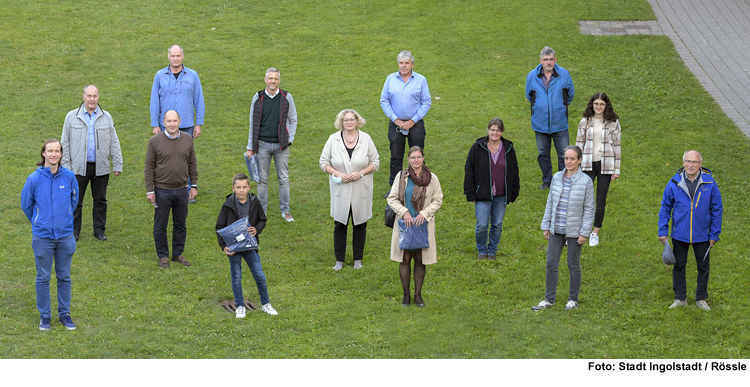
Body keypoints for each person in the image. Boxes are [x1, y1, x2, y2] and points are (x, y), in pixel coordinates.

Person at [21, 139, 79, 331]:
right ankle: (45, 316)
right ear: (43, 154)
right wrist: (40, 222)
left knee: (64, 276)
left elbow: (74, 201)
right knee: (43, 277)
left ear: (61, 154)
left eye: (57, 151)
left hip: (65, 237)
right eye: (50, 151)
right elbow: (26, 205)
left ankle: (65, 314)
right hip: (43, 238)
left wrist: (65, 220)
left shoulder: (69, 177)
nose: (54, 154)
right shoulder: (34, 179)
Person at [658, 150, 722, 311]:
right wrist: (663, 230)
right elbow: (665, 208)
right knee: (679, 266)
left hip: (703, 235)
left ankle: (701, 298)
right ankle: (680, 298)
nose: (691, 165)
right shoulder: (674, 182)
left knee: (703, 267)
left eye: (694, 162)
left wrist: (714, 233)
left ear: (701, 164)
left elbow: (717, 209)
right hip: (680, 233)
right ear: (683, 162)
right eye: (688, 161)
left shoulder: (710, 183)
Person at [533, 145, 594, 312]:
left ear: (579, 160)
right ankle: (549, 299)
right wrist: (546, 226)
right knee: (551, 263)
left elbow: (589, 209)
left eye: (572, 158)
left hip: (575, 231)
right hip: (556, 229)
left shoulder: (586, 181)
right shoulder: (557, 177)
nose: (568, 161)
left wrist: (584, 233)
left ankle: (573, 299)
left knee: (573, 264)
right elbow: (550, 203)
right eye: (566, 158)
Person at [61, 84, 123, 242]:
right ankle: (74, 231)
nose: (92, 99)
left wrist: (117, 164)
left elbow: (114, 142)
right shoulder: (71, 117)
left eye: (95, 96)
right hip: (77, 168)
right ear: (83, 97)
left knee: (100, 200)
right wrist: (67, 167)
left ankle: (99, 231)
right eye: (89, 96)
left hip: (100, 166)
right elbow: (65, 143)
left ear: (98, 97)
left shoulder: (106, 117)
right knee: (76, 201)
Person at [319, 109, 380, 271]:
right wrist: (338, 173)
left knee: (360, 223)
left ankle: (357, 259)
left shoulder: (366, 139)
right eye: (345, 120)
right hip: (341, 188)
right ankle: (339, 260)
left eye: (352, 119)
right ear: (341, 122)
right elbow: (323, 162)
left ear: (357, 121)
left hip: (361, 189)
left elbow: (375, 162)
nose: (349, 122)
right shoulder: (333, 139)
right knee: (340, 224)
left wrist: (360, 173)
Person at [215, 173, 278, 317]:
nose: (241, 190)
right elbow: (219, 227)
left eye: (244, 187)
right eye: (238, 187)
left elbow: (262, 220)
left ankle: (266, 304)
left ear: (249, 187)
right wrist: (223, 246)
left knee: (259, 275)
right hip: (234, 248)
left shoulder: (254, 202)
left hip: (250, 247)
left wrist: (257, 229)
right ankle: (240, 306)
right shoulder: (228, 204)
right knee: (236, 276)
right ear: (233, 188)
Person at [387, 146, 443, 307]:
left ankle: (418, 296)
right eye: (413, 157)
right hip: (405, 224)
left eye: (419, 157)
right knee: (405, 258)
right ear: (408, 159)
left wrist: (424, 214)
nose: (416, 160)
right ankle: (406, 296)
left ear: (423, 158)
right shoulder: (401, 176)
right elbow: (392, 198)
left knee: (420, 259)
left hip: (422, 224)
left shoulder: (432, 178)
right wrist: (404, 211)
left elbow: (438, 199)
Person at [150, 45, 204, 203]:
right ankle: (161, 189)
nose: (175, 58)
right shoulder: (159, 76)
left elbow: (199, 100)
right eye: (173, 55)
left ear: (183, 56)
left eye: (178, 55)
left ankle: (188, 189)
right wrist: (155, 124)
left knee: (186, 158)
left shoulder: (193, 75)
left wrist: (198, 123)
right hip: (164, 126)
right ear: (168, 57)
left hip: (186, 124)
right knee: (162, 158)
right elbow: (154, 101)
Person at [145, 110, 198, 269]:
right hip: (162, 190)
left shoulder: (188, 139)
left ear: (180, 122)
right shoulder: (154, 141)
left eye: (175, 121)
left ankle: (177, 254)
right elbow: (149, 167)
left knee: (180, 224)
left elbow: (192, 163)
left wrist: (193, 185)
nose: (172, 124)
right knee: (160, 225)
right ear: (163, 122)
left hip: (182, 190)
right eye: (169, 121)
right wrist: (150, 190)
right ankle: (163, 256)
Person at [245, 68, 298, 222]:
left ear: (279, 80)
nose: (273, 81)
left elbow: (293, 120)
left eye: (276, 78)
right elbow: (252, 124)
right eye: (270, 78)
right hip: (262, 145)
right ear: (265, 79)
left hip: (282, 146)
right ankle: (262, 212)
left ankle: (285, 211)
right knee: (262, 180)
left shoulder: (287, 97)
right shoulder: (258, 97)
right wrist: (250, 147)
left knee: (284, 179)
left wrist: (290, 139)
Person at [463, 117, 520, 261]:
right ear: (488, 130)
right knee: (482, 225)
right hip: (482, 194)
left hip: (501, 194)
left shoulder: (508, 149)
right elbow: (469, 170)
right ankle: (481, 250)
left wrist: (513, 191)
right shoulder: (477, 147)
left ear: (502, 132)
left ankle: (492, 250)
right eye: (492, 129)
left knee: (497, 224)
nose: (495, 133)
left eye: (498, 130)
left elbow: (514, 171)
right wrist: (470, 192)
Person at [380, 50, 432, 194]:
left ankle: (421, 186)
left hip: (415, 125)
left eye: (407, 63)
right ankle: (395, 190)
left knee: (417, 156)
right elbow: (384, 100)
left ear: (412, 64)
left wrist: (412, 121)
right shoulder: (390, 79)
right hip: (396, 125)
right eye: (401, 63)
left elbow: (426, 102)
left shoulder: (421, 80)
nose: (403, 66)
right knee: (396, 157)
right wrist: (396, 120)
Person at [525, 46, 575, 190]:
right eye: (546, 60)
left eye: (551, 59)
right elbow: (530, 96)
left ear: (555, 60)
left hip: (559, 124)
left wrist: (559, 107)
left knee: (564, 155)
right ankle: (547, 180)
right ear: (540, 60)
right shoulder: (531, 76)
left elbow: (570, 95)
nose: (548, 62)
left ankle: (563, 181)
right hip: (540, 125)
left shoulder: (564, 74)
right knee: (543, 154)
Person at [575, 92, 621, 247]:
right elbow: (578, 145)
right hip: (587, 164)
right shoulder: (585, 122)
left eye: (602, 104)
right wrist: (576, 165)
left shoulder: (613, 122)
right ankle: (579, 230)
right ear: (591, 104)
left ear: (606, 105)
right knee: (582, 199)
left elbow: (617, 146)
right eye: (596, 104)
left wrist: (616, 169)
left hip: (605, 165)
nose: (599, 107)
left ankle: (595, 233)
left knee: (600, 200)